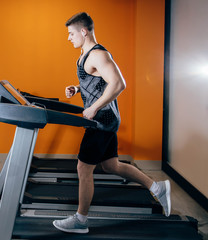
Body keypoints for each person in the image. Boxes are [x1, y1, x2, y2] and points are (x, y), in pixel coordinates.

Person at [52, 12, 171, 234]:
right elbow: (98, 82)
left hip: (102, 120)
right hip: (105, 119)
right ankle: (157, 187)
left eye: (71, 33)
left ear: (84, 31)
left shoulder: (98, 54)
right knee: (110, 166)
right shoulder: (84, 54)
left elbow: (118, 83)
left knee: (83, 168)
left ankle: (80, 220)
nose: (68, 38)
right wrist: (77, 88)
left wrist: (94, 107)